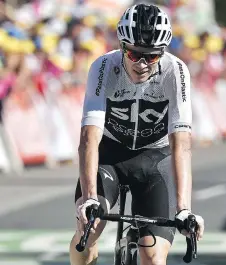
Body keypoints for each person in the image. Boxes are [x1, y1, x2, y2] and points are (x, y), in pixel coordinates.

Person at [69, 3, 205, 265]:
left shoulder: (175, 72)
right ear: (122, 46)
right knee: (89, 232)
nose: (142, 64)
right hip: (110, 154)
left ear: (162, 52)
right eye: (134, 55)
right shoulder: (103, 68)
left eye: (151, 57)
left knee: (153, 257)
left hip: (155, 157)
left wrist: (184, 209)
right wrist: (88, 199)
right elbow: (89, 137)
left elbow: (182, 144)